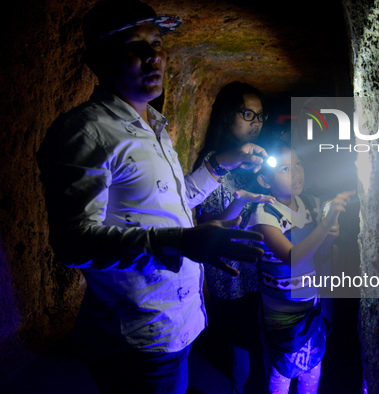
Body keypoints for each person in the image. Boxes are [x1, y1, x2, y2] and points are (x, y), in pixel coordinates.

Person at [36, 1, 267, 393]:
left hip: (174, 321)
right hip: (138, 337)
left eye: (157, 42)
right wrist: (179, 240)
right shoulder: (86, 133)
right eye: (133, 45)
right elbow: (73, 243)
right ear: (98, 59)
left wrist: (223, 164)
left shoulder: (153, 126)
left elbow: (174, 201)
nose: (152, 56)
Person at [242, 138, 355, 394]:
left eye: (299, 164)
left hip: (310, 306)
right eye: (284, 169)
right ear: (264, 181)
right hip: (280, 314)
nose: (296, 173)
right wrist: (325, 227)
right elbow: (293, 258)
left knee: (312, 372)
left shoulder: (312, 205)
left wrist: (331, 237)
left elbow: (318, 255)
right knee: (280, 374)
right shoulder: (264, 214)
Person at [193, 81, 274, 393]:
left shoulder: (256, 161)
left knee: (256, 340)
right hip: (230, 271)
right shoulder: (216, 161)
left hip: (256, 267)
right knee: (240, 344)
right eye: (247, 114)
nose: (255, 123)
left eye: (260, 116)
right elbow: (219, 223)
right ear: (228, 116)